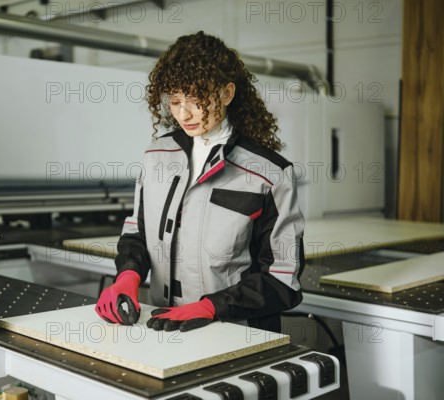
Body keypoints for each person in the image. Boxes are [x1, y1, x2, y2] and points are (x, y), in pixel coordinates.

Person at [95, 31, 305, 333]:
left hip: (236, 331)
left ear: (226, 93)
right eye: (176, 100)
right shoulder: (156, 155)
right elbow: (137, 233)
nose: (184, 113)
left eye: (196, 99)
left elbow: (284, 278)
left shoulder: (269, 173)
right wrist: (127, 277)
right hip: (162, 324)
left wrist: (211, 307)